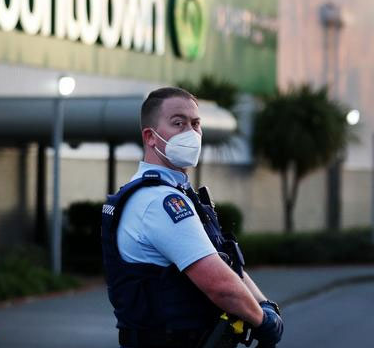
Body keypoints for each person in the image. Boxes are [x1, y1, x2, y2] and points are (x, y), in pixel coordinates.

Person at [101, 87, 283, 348]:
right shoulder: (160, 202)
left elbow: (224, 263)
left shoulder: (176, 193)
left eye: (195, 124)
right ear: (150, 137)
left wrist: (263, 305)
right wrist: (264, 323)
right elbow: (220, 285)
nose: (191, 133)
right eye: (178, 123)